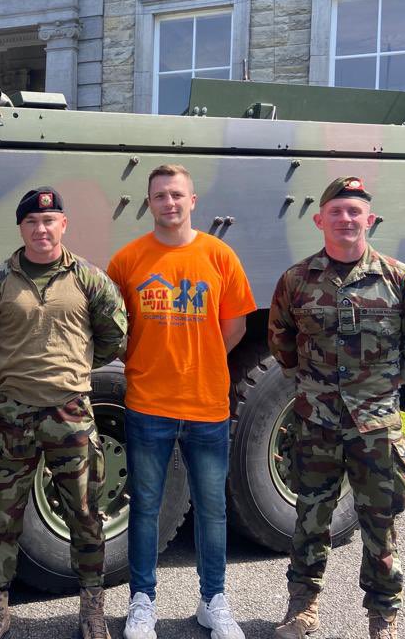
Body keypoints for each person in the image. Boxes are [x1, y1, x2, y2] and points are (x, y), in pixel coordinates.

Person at [267, 177, 405, 639]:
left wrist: (382, 387)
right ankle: (302, 610)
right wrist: (314, 385)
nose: (346, 219)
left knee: (379, 524)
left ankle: (383, 617)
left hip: (376, 428)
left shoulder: (401, 280)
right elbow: (281, 342)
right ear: (319, 219)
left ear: (370, 219)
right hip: (315, 424)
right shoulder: (296, 281)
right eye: (337, 211)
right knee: (310, 519)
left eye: (355, 211)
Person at [0, 187, 128, 639]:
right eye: (33, 222)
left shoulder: (88, 279)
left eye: (50, 220)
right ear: (21, 228)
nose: (42, 229)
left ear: (63, 225)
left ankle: (92, 606)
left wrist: (72, 371)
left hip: (70, 413)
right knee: (2, 514)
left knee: (84, 511)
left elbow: (113, 334)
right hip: (12, 415)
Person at [107, 164, 255, 639]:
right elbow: (114, 330)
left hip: (206, 406)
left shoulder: (219, 256)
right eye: (159, 196)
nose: (168, 203)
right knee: (146, 508)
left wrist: (202, 358)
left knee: (212, 510)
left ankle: (213, 600)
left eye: (177, 195)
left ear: (193, 201)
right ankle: (142, 601)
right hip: (147, 404)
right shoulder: (127, 261)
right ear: (148, 204)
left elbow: (235, 326)